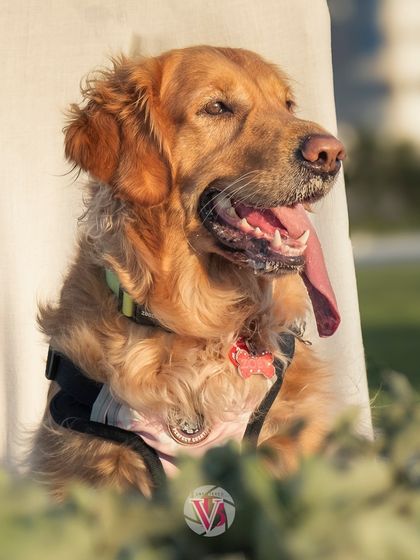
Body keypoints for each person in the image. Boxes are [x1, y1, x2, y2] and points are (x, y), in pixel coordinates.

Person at [0, 0, 372, 465]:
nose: (311, 139)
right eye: (219, 108)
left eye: (285, 103)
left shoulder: (292, 395)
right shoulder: (88, 395)